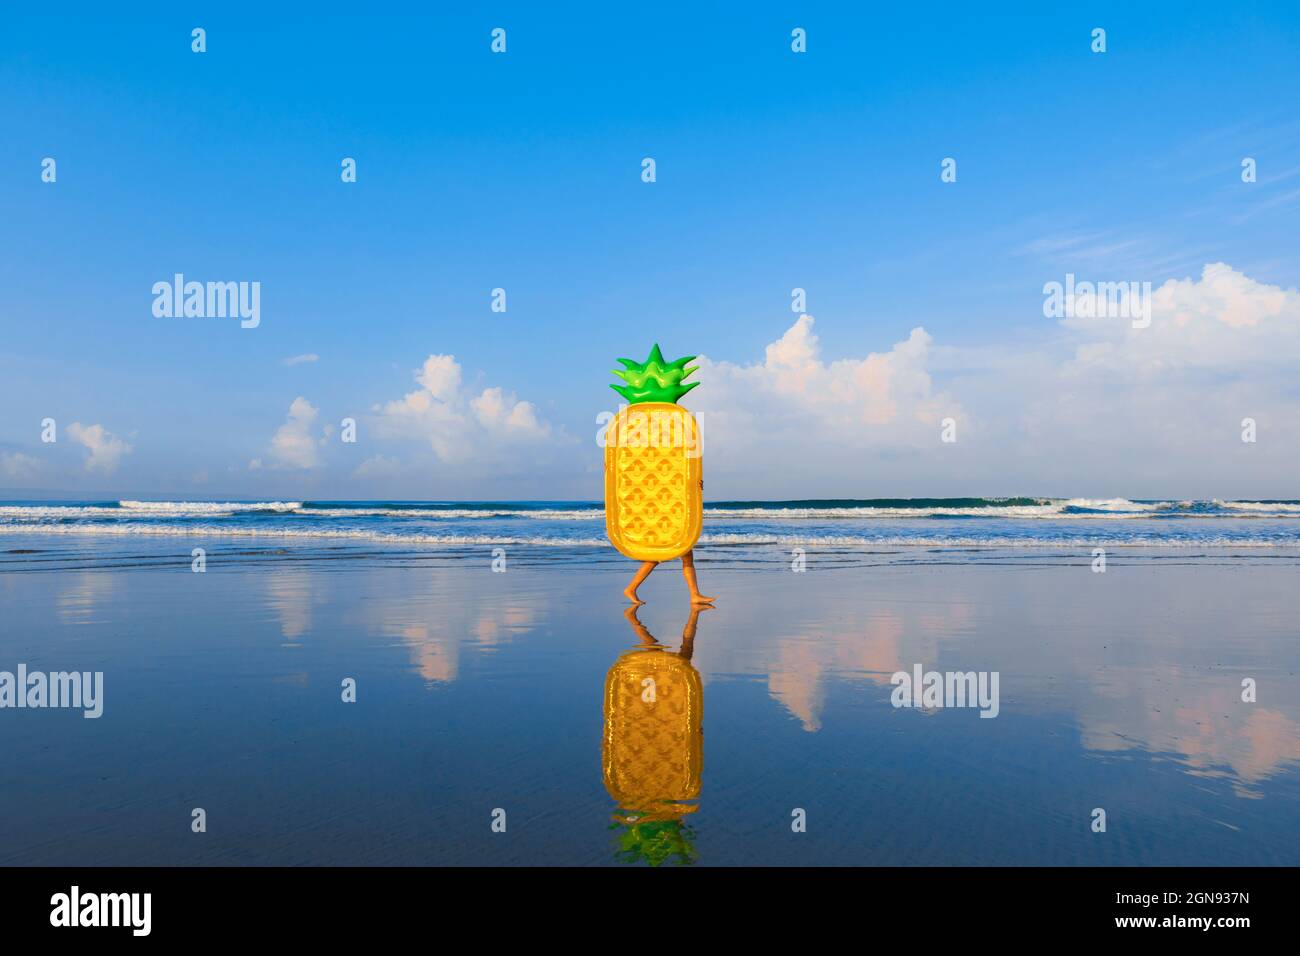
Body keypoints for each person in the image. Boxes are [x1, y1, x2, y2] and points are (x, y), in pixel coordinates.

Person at [623, 550, 715, 606]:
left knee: (687, 557)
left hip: (670, 527)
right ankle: (630, 589)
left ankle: (695, 595)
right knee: (655, 558)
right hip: (668, 530)